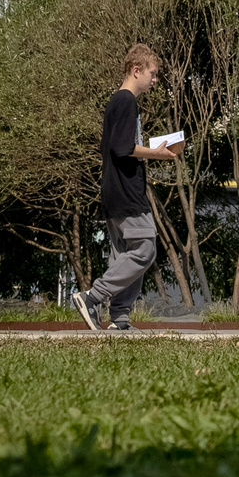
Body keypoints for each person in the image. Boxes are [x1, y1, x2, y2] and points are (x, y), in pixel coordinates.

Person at [76, 43, 185, 331]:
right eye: (153, 73)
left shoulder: (119, 102)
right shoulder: (126, 101)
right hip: (126, 192)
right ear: (136, 71)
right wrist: (157, 153)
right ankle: (92, 297)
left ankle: (120, 319)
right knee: (145, 249)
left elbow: (119, 145)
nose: (155, 80)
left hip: (114, 192)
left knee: (123, 256)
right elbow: (122, 148)